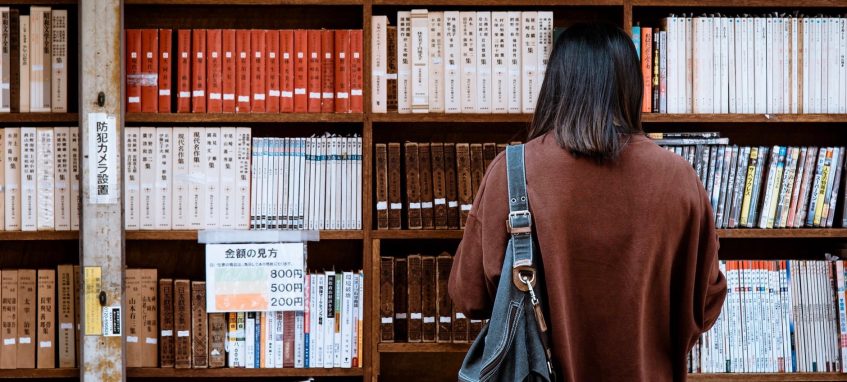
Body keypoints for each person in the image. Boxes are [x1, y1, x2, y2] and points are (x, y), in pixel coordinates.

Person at [448, 22, 727, 381]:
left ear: (556, 86)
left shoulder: (513, 171)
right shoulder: (678, 179)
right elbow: (706, 304)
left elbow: (469, 296)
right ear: (631, 86)